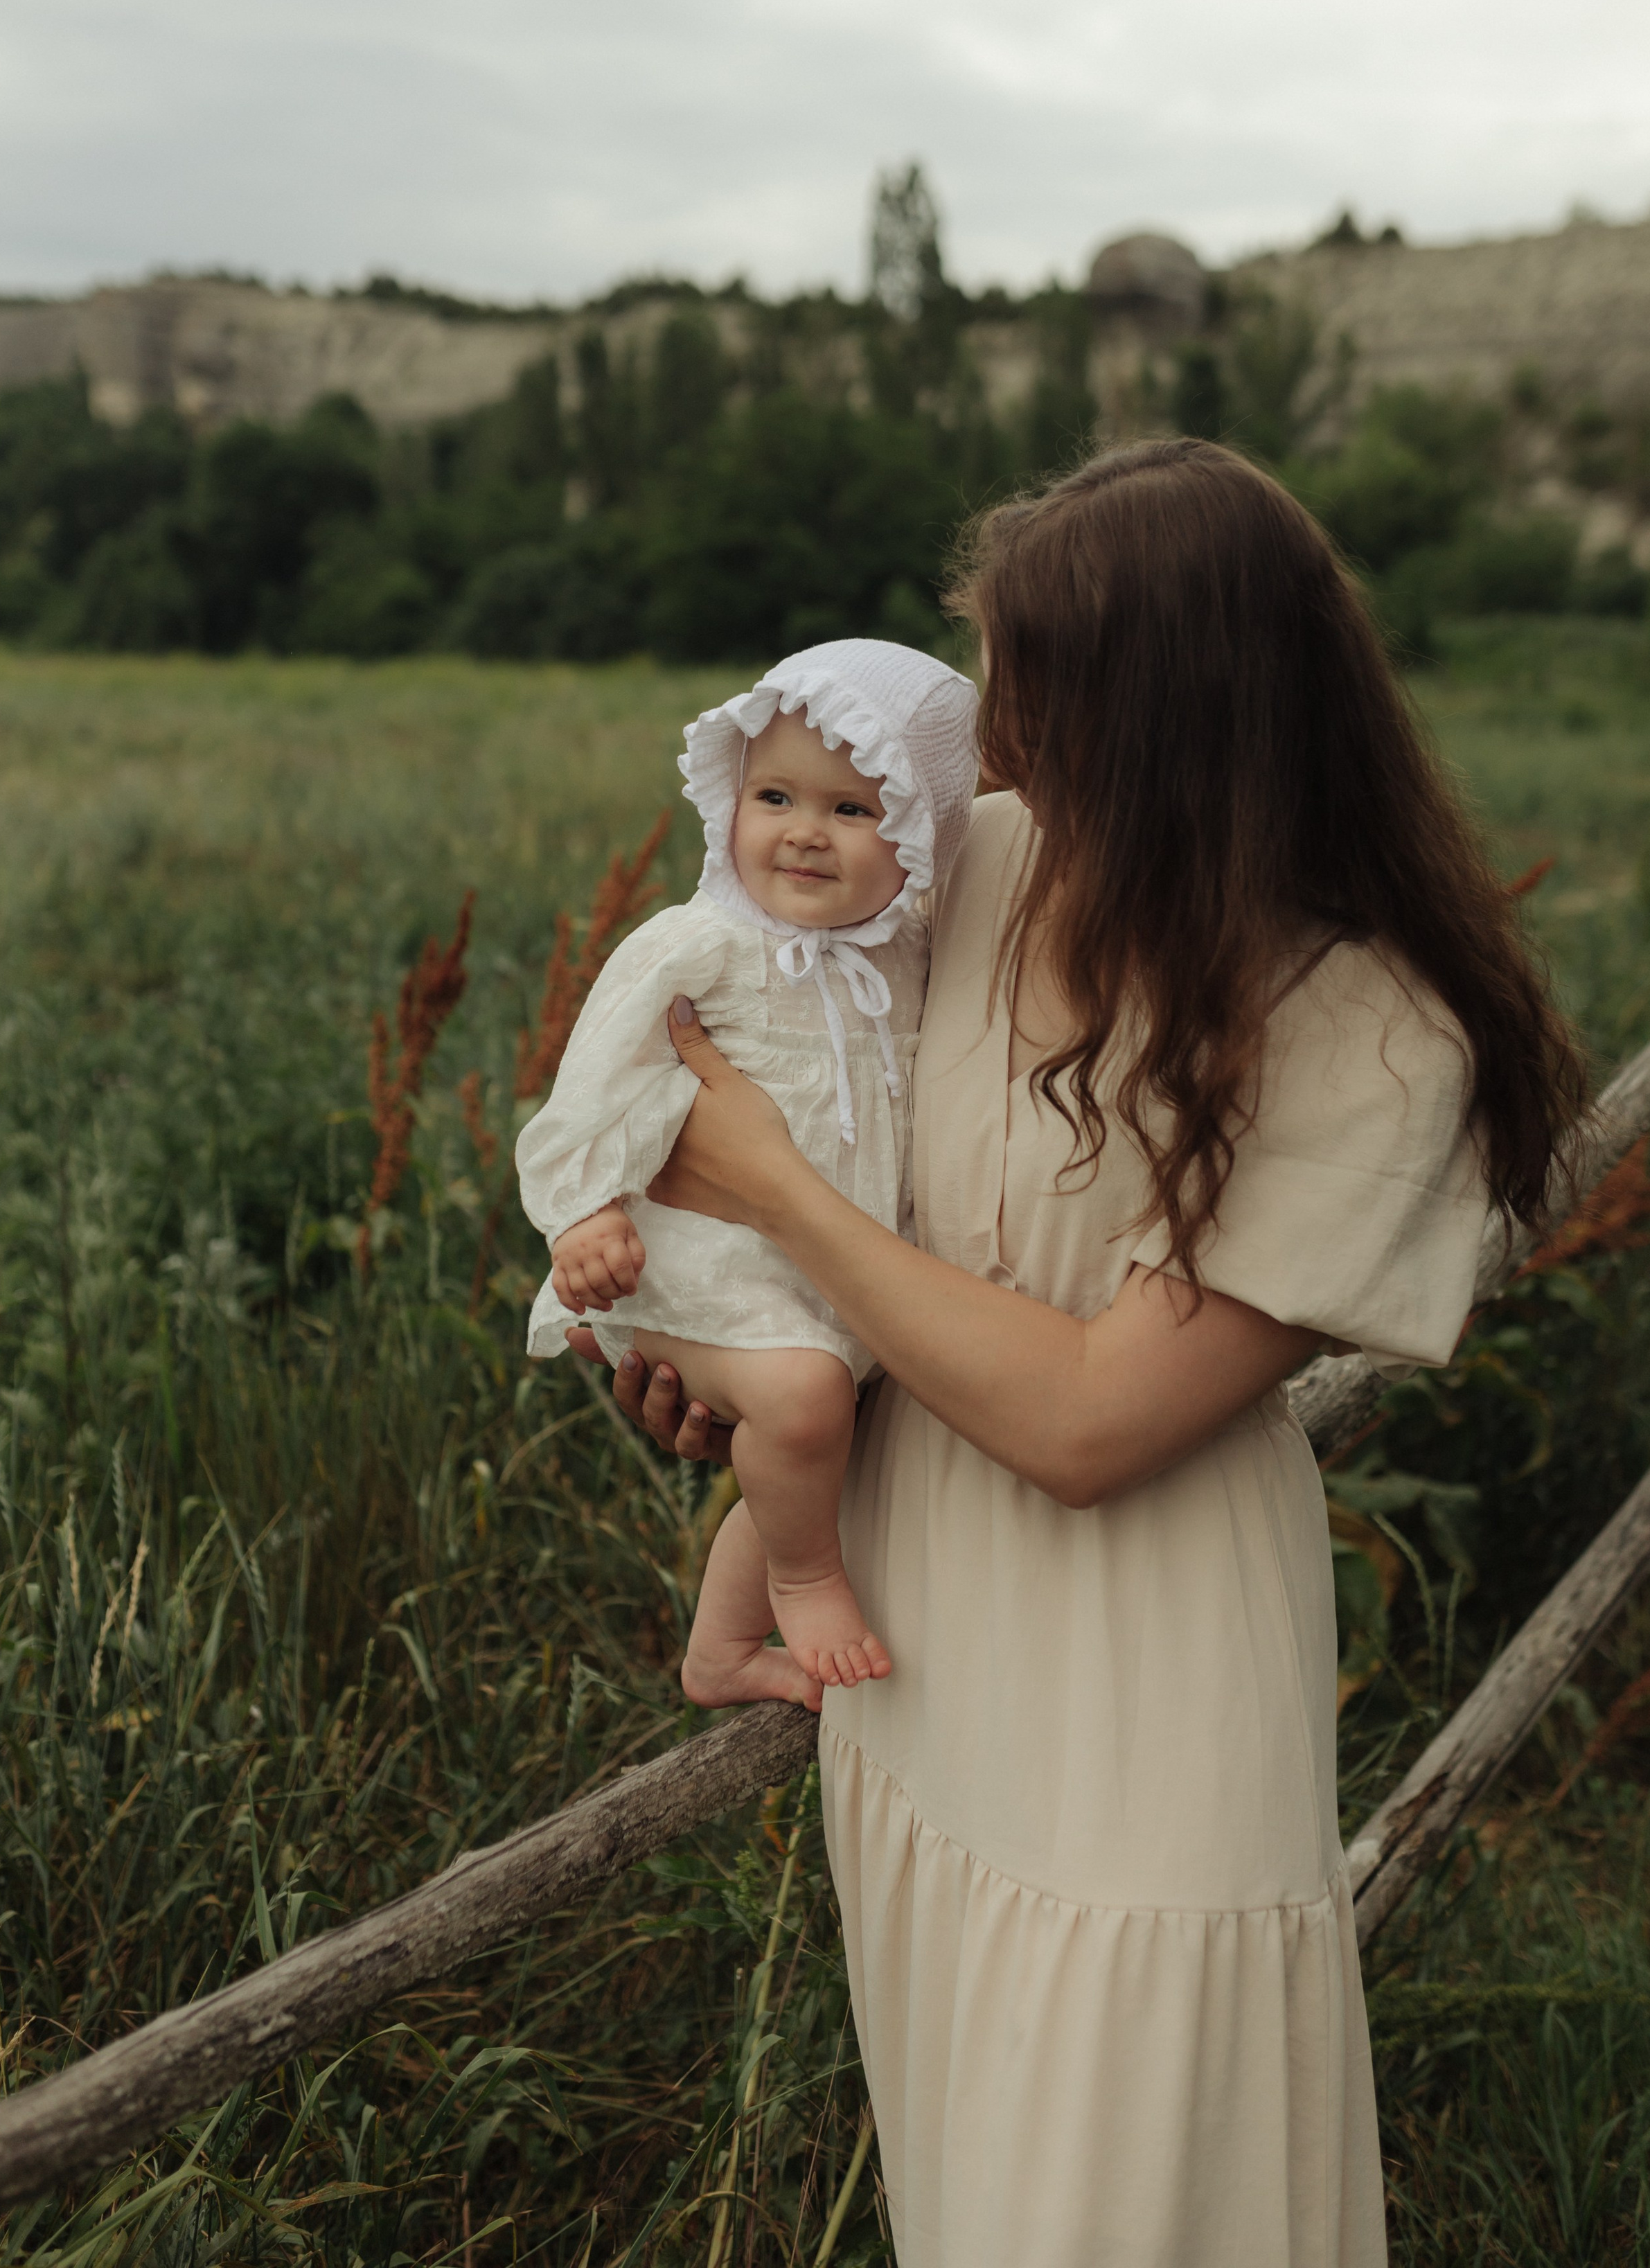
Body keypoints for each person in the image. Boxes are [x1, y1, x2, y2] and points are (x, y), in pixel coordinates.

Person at [592, 441, 1588, 2268]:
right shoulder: (955, 864)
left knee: (1124, 2202)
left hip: (1136, 1699)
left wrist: (787, 1211)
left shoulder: (1370, 1030)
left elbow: (1085, 1419)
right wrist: (703, 1340)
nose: (991, 723)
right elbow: (736, 1091)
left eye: (1032, 679)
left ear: (1165, 715)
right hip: (915, 1676)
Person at [518, 636, 979, 1701]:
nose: (806, 834)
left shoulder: (906, 952)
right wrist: (582, 1215)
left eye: (853, 811)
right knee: (809, 1399)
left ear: (917, 834)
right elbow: (594, 1084)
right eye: (775, 796)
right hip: (689, 1260)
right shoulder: (697, 944)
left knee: (820, 1430)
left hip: (825, 1270)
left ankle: (721, 1652)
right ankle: (807, 1576)